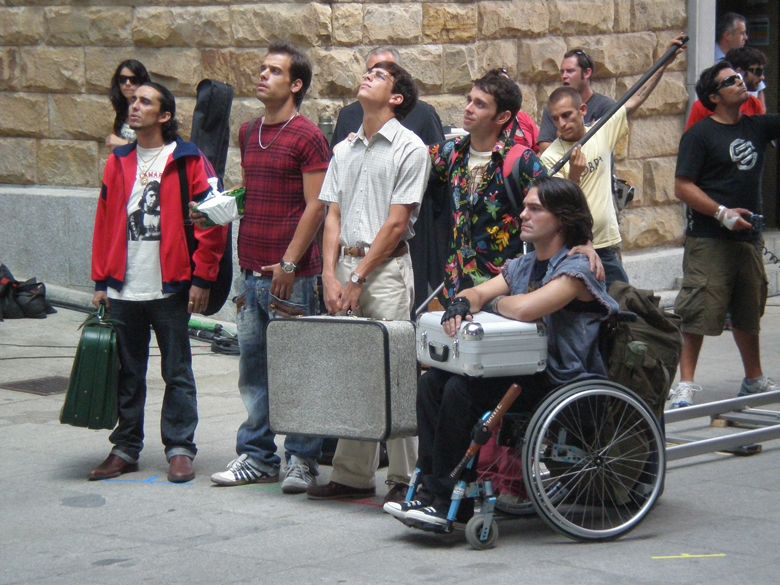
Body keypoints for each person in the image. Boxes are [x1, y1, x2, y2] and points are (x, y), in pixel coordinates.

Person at [384, 176, 618, 526]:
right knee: (433, 383)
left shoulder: (578, 268)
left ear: (562, 219)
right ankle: (431, 490)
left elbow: (526, 309)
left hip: (559, 378)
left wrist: (494, 302)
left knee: (461, 391)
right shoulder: (522, 265)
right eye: (525, 206)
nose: (523, 214)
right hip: (520, 370)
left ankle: (452, 501)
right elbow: (477, 294)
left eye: (535, 209)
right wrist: (461, 303)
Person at [206, 43, 331, 493]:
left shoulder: (308, 136)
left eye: (274, 71)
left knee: (296, 366)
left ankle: (302, 457)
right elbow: (257, 192)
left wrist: (291, 261)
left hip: (292, 274)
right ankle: (258, 456)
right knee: (253, 368)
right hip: (250, 270)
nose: (263, 76)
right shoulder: (247, 132)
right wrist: (218, 209)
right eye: (262, 69)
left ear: (295, 84)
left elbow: (317, 205)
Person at [89, 81, 227, 483]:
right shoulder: (118, 161)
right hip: (123, 286)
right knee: (127, 371)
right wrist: (101, 279)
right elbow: (104, 221)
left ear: (164, 116)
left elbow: (213, 223)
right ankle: (126, 447)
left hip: (171, 286)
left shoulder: (187, 159)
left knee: (177, 370)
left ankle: (180, 447)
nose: (134, 107)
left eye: (145, 102)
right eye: (132, 101)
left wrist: (203, 278)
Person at [306, 60, 430, 502]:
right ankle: (351, 474)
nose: (368, 76)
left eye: (379, 76)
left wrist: (358, 276)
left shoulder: (410, 148)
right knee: (354, 371)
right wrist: (329, 274)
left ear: (396, 98)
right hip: (346, 267)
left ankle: (404, 479)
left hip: (386, 271)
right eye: (368, 72)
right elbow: (332, 213)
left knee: (396, 371)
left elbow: (397, 223)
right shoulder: (345, 148)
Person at [669, 61, 780, 408]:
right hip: (709, 239)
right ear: (715, 97)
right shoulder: (699, 136)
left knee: (749, 310)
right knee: (698, 311)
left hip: (747, 240)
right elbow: (682, 186)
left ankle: (753, 379)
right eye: (730, 81)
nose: (739, 82)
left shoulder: (757, 127)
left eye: (739, 77)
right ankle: (685, 385)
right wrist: (721, 213)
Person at [540, 35, 685, 289]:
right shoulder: (551, 157)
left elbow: (636, 98)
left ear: (582, 111)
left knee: (624, 307)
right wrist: (574, 175)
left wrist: (665, 60)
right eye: (556, 119)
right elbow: (561, 208)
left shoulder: (602, 129)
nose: (562, 124)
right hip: (573, 249)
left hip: (606, 244)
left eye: (567, 115)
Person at [429, 69, 548, 301]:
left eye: (480, 104)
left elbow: (556, 207)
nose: (468, 108)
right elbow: (409, 157)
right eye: (469, 100)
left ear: (502, 117)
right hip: (455, 287)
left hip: (502, 288)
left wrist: (582, 245)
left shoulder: (521, 160)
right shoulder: (452, 152)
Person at [537, 49, 616, 154]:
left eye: (570, 71)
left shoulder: (606, 106)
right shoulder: (553, 109)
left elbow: (604, 144)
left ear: (587, 73)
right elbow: (545, 146)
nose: (564, 76)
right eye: (562, 72)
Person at [686, 47, 767, 130]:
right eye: (758, 71)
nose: (762, 77)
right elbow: (692, 138)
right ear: (739, 71)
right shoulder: (702, 107)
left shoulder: (755, 104)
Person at [106, 59, 151, 153]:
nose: (127, 83)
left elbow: (155, 148)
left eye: (133, 80)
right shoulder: (122, 110)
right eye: (122, 79)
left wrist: (124, 143)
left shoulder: (150, 110)